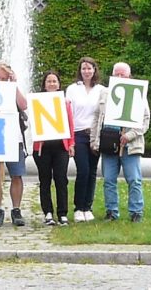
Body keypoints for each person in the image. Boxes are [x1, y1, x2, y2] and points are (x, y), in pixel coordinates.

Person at [92, 61, 150, 223]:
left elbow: (145, 120)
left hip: (130, 144)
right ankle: (111, 211)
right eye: (116, 74)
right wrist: (94, 140)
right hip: (109, 143)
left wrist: (130, 135)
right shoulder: (105, 93)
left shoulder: (137, 93)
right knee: (109, 180)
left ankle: (136, 211)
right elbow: (97, 117)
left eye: (122, 74)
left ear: (129, 76)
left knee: (134, 179)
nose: (119, 76)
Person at [0, 62, 29, 227]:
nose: (1, 81)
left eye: (4, 78)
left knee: (17, 174)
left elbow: (24, 105)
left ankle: (16, 209)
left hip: (13, 137)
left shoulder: (12, 90)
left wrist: (14, 85)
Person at [64, 56, 104, 222]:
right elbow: (68, 114)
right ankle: (78, 207)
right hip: (78, 133)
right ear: (80, 71)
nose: (86, 71)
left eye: (89, 68)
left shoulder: (102, 90)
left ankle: (88, 207)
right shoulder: (72, 89)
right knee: (83, 170)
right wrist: (70, 140)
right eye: (84, 68)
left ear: (94, 70)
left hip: (95, 134)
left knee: (93, 172)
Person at [32, 70, 74, 226]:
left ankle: (62, 213)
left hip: (60, 147)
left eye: (54, 81)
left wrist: (71, 144)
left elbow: (70, 124)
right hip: (42, 148)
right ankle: (48, 212)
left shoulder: (65, 102)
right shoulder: (37, 101)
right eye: (48, 81)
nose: (51, 84)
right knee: (44, 180)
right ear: (44, 84)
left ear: (59, 84)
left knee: (61, 180)